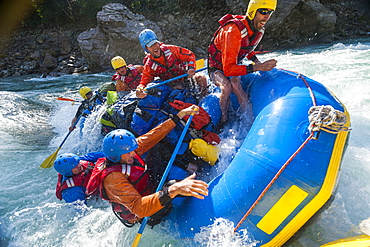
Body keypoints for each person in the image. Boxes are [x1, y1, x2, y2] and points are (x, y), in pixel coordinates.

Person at [86, 105, 209, 227]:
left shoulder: (125, 150)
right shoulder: (113, 179)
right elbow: (138, 208)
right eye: (129, 153)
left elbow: (153, 136)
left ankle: (186, 171)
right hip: (142, 214)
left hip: (146, 186)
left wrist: (179, 116)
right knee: (172, 185)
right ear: (116, 157)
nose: (134, 153)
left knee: (158, 146)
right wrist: (173, 189)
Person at [208, 0, 278, 123]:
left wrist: (256, 61)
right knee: (226, 87)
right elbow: (228, 69)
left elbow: (247, 49)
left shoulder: (259, 29)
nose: (267, 16)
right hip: (216, 67)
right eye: (263, 12)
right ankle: (223, 119)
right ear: (252, 12)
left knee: (237, 86)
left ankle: (250, 120)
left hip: (234, 63)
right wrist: (257, 67)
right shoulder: (232, 31)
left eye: (270, 12)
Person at [135, 29, 208, 99]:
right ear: (146, 49)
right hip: (170, 86)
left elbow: (190, 55)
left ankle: (204, 98)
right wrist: (140, 88)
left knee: (202, 78)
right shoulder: (149, 64)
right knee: (176, 91)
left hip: (185, 77)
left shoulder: (171, 50)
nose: (155, 47)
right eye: (151, 45)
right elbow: (144, 81)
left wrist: (191, 67)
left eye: (155, 43)